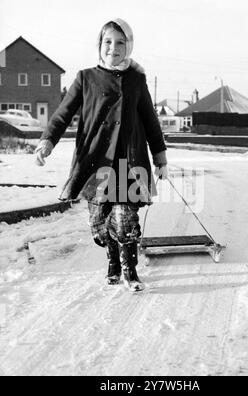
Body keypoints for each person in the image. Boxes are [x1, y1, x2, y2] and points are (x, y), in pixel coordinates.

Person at [35, 18, 168, 292]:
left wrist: (160, 158)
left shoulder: (137, 80)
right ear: (99, 44)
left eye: (120, 42)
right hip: (94, 161)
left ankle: (130, 270)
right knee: (99, 223)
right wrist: (47, 141)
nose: (113, 48)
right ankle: (112, 260)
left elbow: (151, 121)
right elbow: (62, 115)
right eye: (108, 41)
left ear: (128, 46)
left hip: (128, 161)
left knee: (125, 218)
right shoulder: (85, 78)